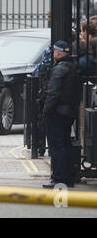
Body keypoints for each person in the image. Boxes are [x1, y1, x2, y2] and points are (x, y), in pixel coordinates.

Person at [42, 41, 82, 189]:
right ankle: (68, 178)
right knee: (65, 144)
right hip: (69, 112)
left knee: (56, 147)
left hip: (57, 112)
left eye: (54, 52)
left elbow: (53, 93)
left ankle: (58, 179)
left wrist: (46, 111)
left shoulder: (59, 69)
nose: (53, 54)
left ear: (58, 53)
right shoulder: (73, 67)